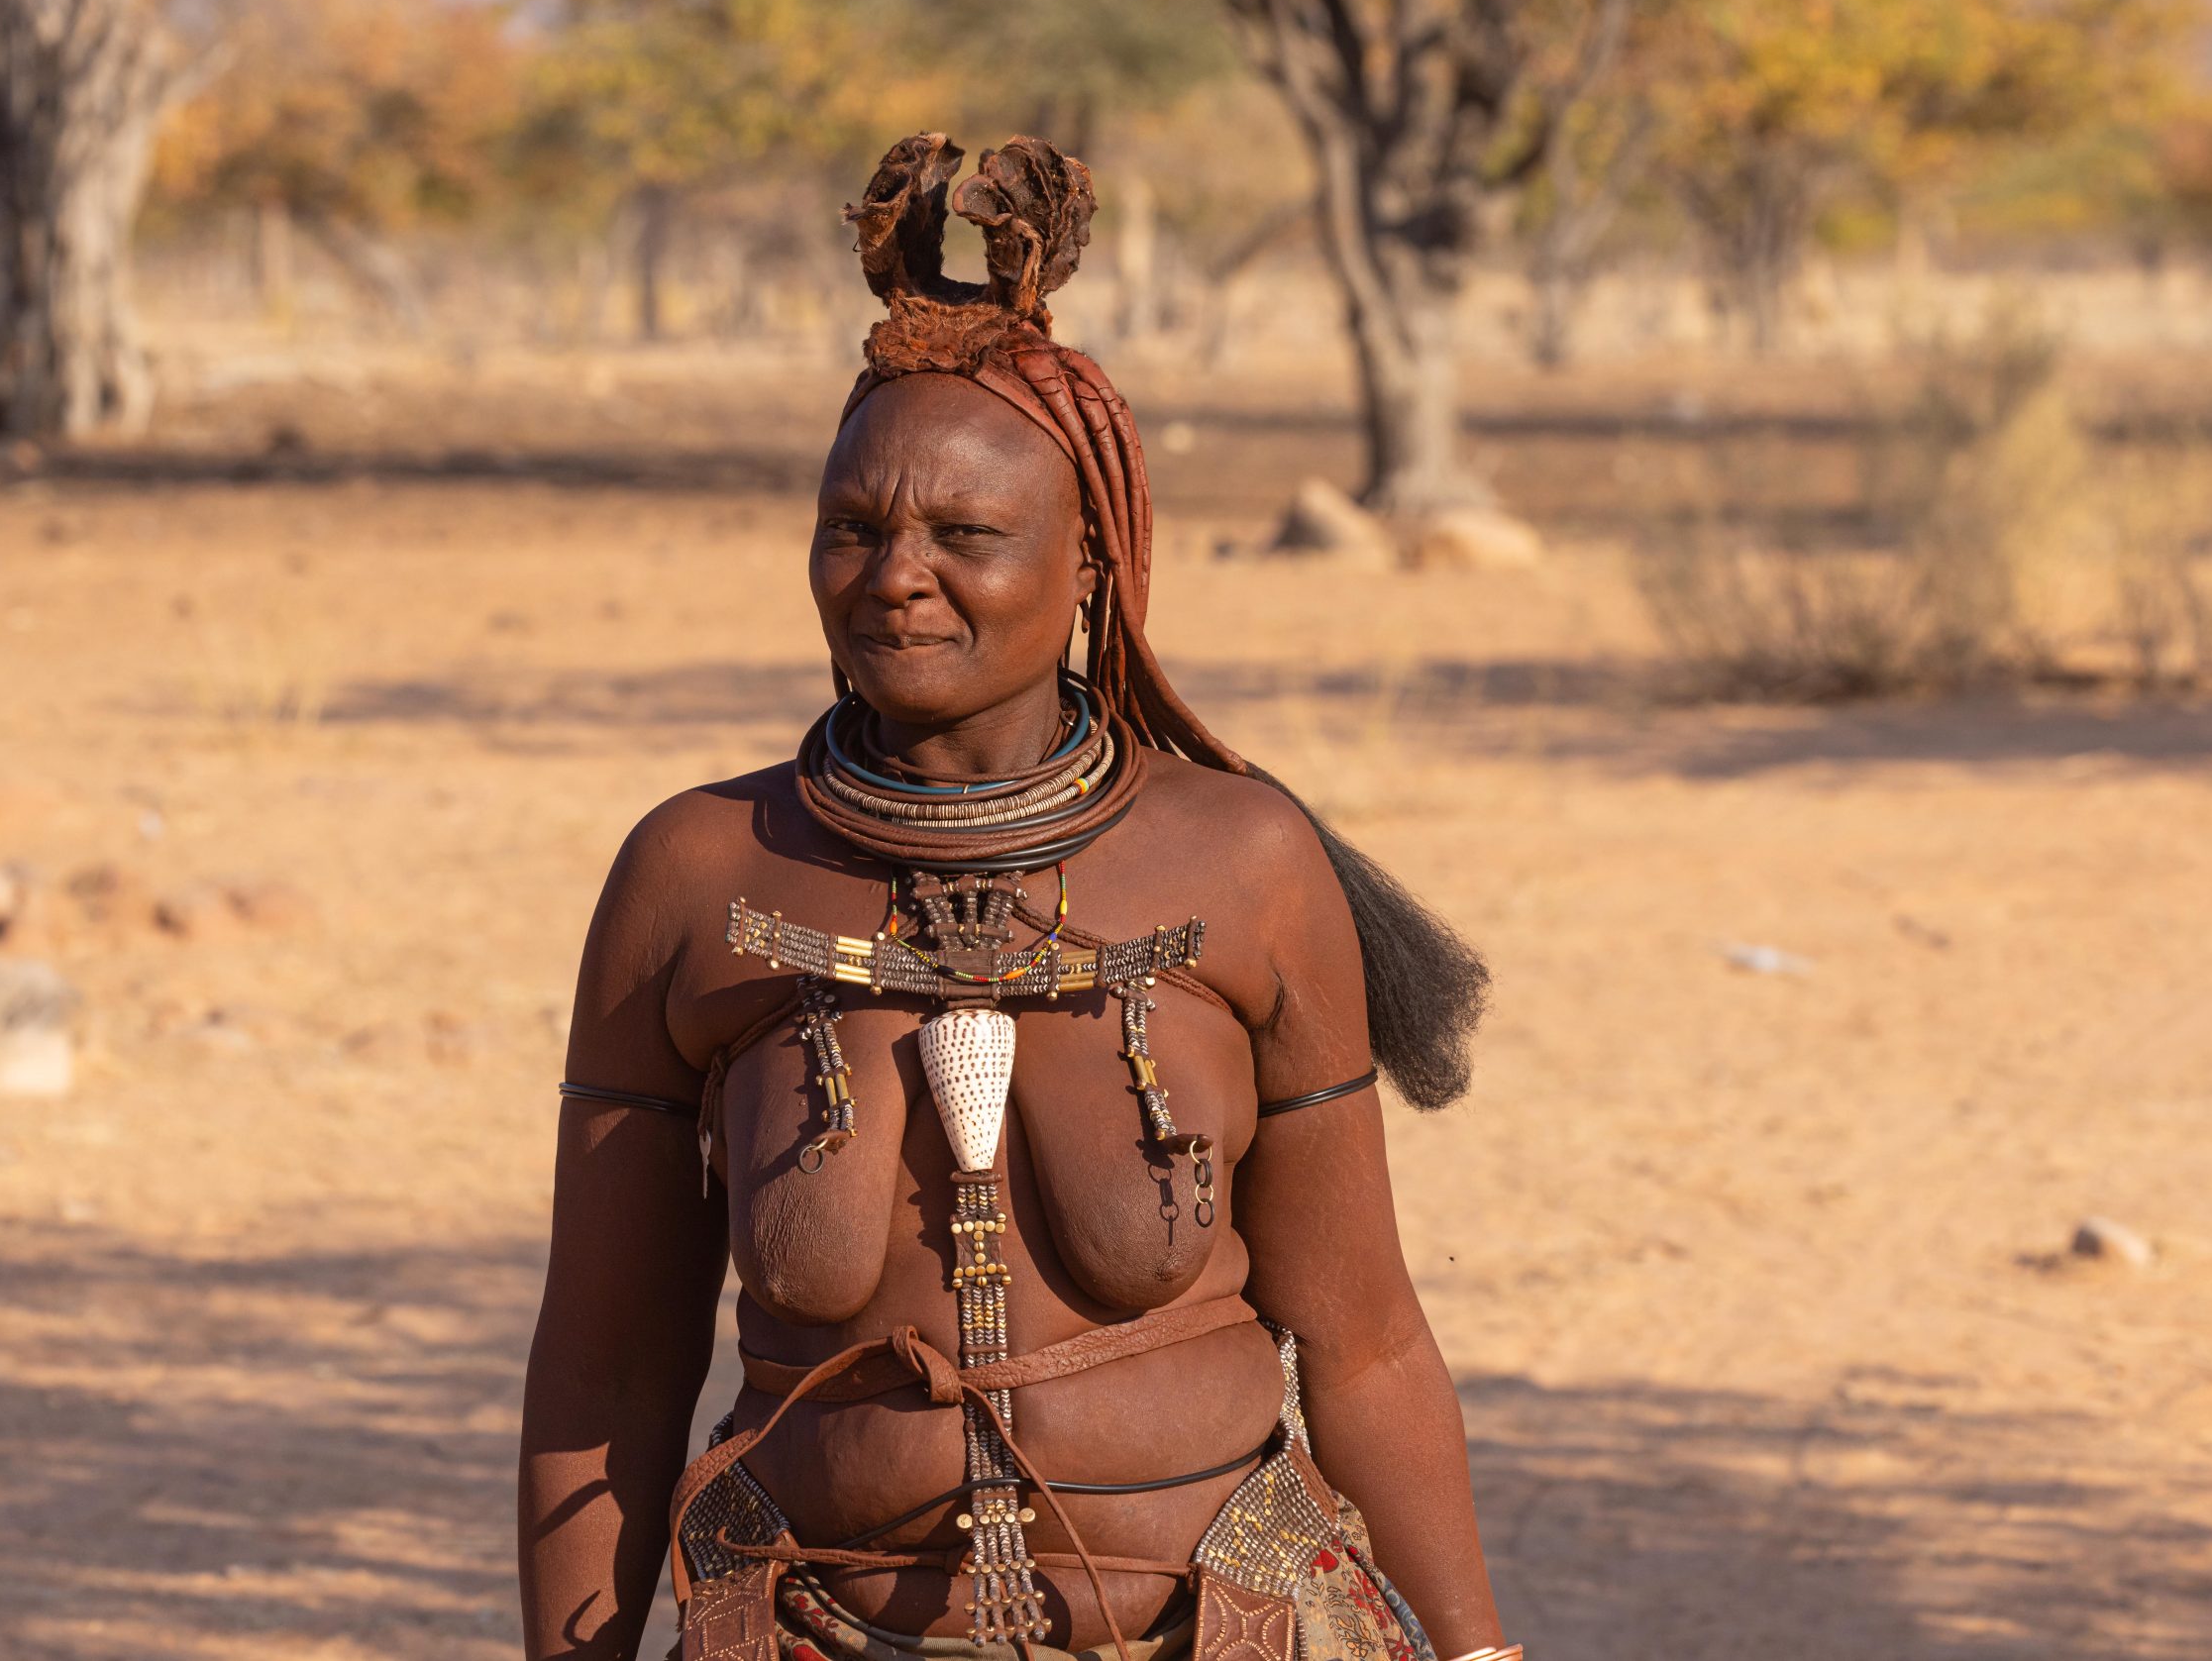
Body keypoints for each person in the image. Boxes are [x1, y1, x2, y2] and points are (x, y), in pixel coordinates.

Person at [519, 133, 1516, 1661]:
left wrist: (1480, 1653)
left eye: (966, 535)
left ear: (1093, 562)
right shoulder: (696, 876)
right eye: (852, 528)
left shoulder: (1242, 862)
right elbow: (607, 1375)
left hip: (1222, 1625)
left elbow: (1366, 1339)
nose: (894, 575)